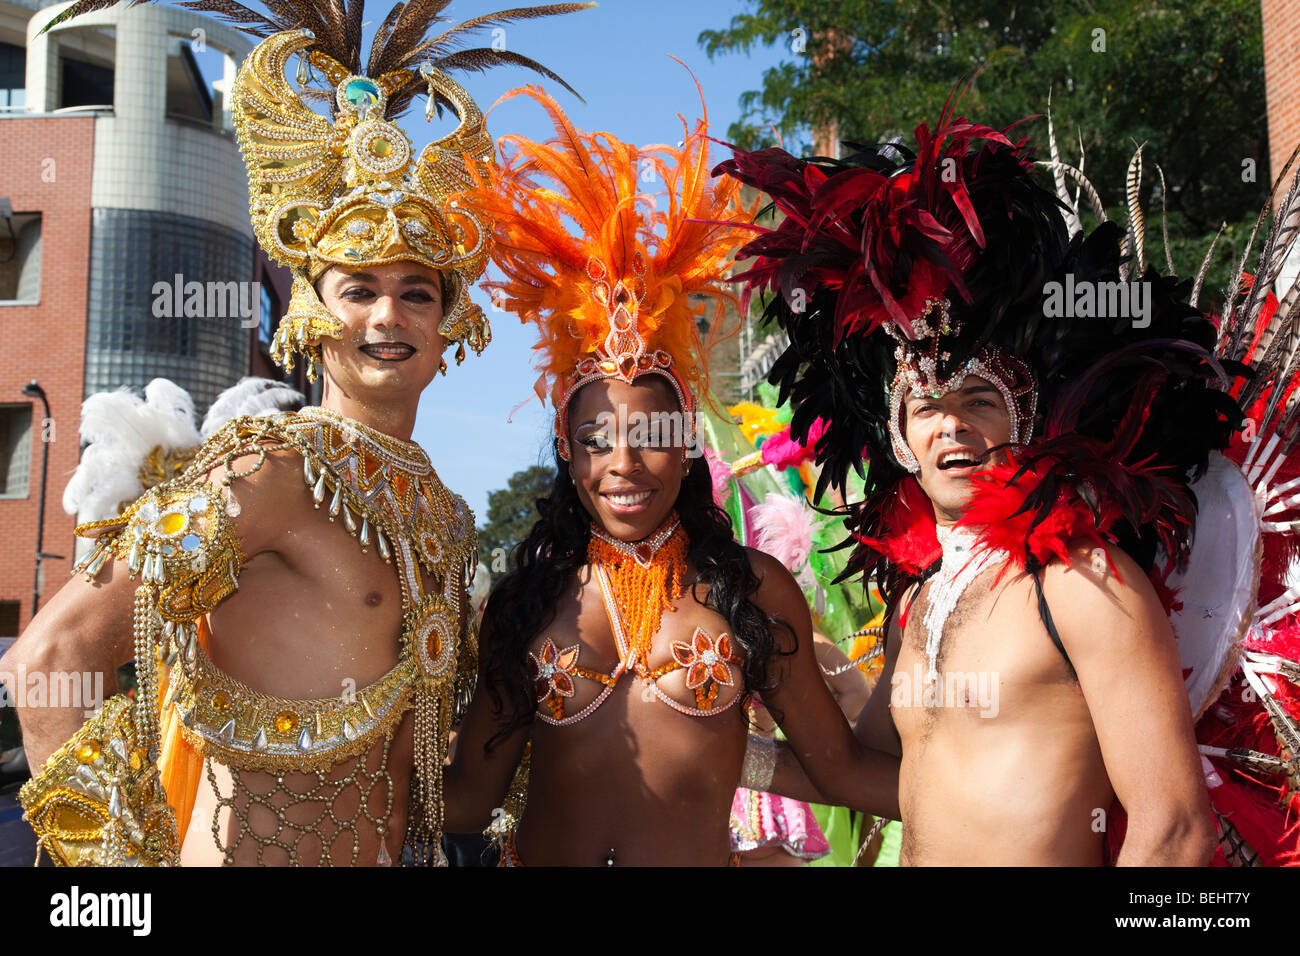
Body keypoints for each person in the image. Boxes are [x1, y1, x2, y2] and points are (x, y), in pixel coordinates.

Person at [6, 0, 592, 866]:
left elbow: (450, 789)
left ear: (451, 324)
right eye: (358, 288)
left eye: (416, 291)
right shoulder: (271, 470)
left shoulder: (442, 516)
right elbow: (49, 658)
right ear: (313, 313)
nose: (387, 314)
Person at [714, 88, 1255, 865]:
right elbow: (870, 773)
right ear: (897, 434)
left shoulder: (1083, 585)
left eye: (978, 400)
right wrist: (717, 749)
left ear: (1027, 419)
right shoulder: (919, 599)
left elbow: (1174, 830)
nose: (951, 426)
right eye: (925, 405)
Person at [439, 87, 900, 866]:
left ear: (687, 446)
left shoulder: (752, 592)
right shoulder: (523, 607)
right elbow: (466, 801)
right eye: (596, 439)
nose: (623, 463)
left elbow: (846, 770)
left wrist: (1006, 766)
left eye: (650, 436)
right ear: (567, 452)